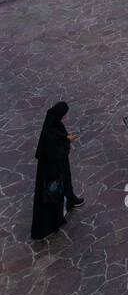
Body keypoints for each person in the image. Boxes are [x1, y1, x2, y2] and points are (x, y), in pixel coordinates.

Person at [31, 101, 83, 240]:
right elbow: (55, 153)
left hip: (60, 166)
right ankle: (54, 221)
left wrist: (65, 138)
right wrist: (68, 141)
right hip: (53, 169)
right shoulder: (50, 133)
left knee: (66, 184)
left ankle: (71, 200)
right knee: (54, 194)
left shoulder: (54, 125)